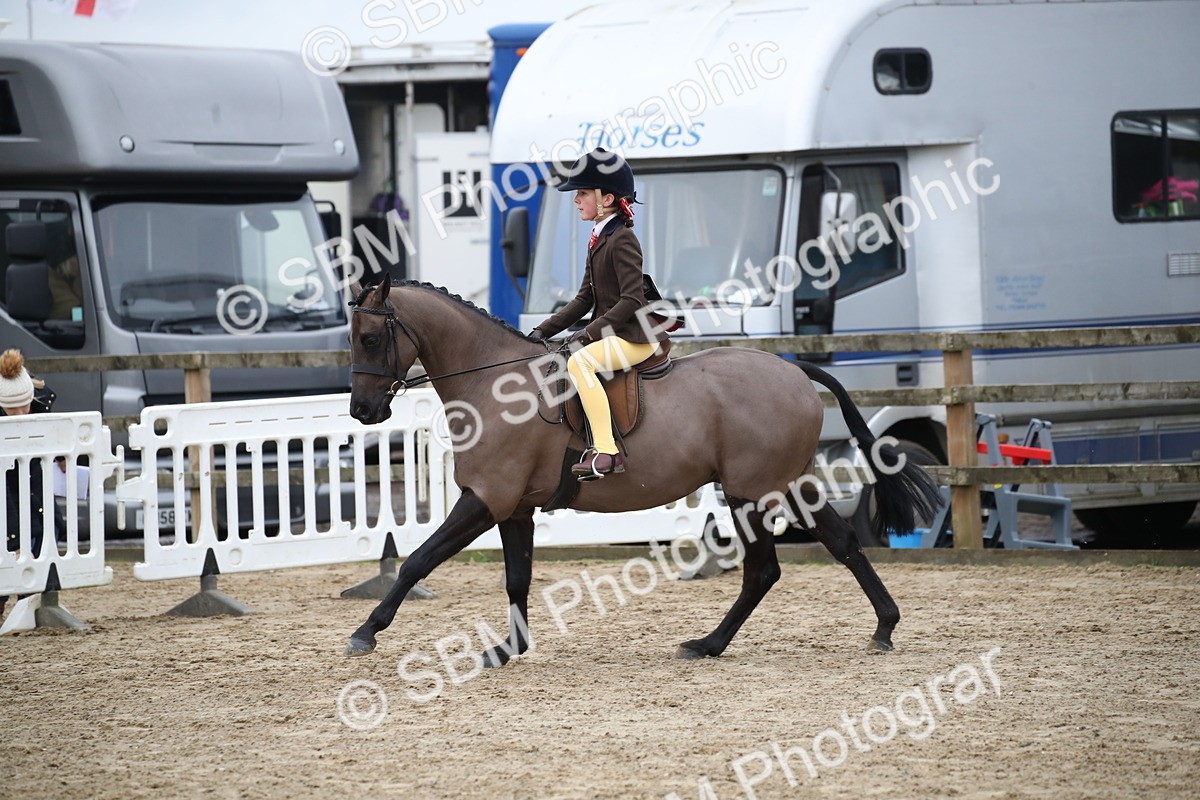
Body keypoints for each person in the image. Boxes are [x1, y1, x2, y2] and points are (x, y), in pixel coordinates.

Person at [529, 149, 670, 480]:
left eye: (582, 193)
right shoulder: (598, 238)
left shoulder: (623, 240)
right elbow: (583, 299)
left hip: (635, 337)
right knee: (564, 356)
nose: (576, 200)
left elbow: (631, 300)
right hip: (616, 333)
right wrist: (541, 332)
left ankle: (607, 451)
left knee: (581, 362)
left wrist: (589, 334)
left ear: (607, 198)